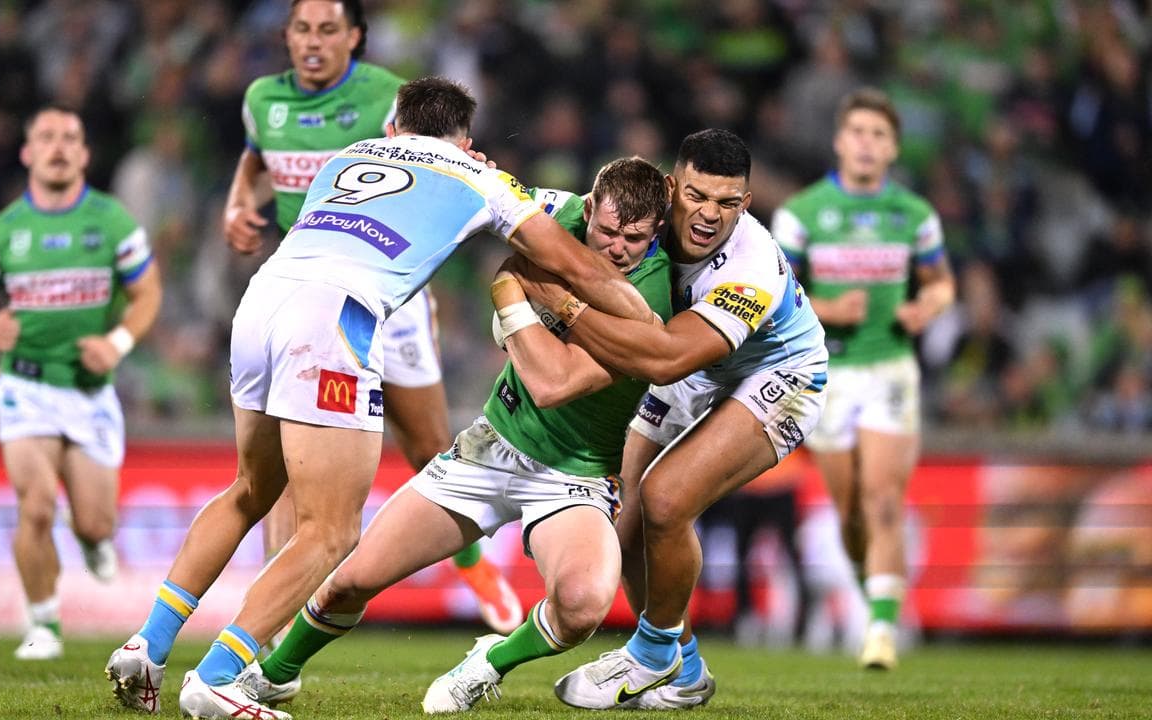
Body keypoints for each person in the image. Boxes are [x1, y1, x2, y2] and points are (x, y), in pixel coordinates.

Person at [105, 77, 655, 718]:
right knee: (332, 531)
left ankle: (148, 644)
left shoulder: (348, 156)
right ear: (468, 140)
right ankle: (222, 676)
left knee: (250, 489)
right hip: (335, 321)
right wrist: (648, 325)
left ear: (395, 129)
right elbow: (585, 266)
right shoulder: (478, 176)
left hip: (261, 303)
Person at [225, 157, 672, 715]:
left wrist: (513, 292)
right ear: (591, 207)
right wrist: (468, 163)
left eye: (635, 238)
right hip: (490, 449)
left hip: (574, 476)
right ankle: (273, 674)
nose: (617, 248)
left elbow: (552, 382)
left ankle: (488, 662)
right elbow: (479, 194)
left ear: (658, 229)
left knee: (583, 607)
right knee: (348, 582)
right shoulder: (566, 212)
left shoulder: (659, 298)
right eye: (606, 230)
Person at [223, 0, 520, 635]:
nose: (313, 41)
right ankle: (270, 625)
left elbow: (444, 164)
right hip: (303, 287)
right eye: (302, 28)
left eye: (328, 29)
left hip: (392, 290)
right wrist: (236, 203)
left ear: (355, 38)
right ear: (286, 36)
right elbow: (256, 158)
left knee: (426, 446)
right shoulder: (260, 100)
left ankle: (471, 563)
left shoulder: (389, 96)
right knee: (283, 470)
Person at [512, 129, 828, 710]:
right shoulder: (639, 215)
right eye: (697, 196)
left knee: (666, 498)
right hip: (700, 371)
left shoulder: (749, 268)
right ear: (669, 187)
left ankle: (651, 652)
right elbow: (515, 201)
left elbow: (664, 360)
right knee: (624, 520)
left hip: (780, 376)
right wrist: (455, 162)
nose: (709, 215)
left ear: (747, 204)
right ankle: (684, 670)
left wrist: (561, 305)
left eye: (728, 203)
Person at [0, 106, 161, 660]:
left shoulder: (113, 222)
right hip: (25, 385)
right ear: (27, 153)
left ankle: (92, 539)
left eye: (70, 137)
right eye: (46, 137)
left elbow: (148, 294)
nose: (58, 146)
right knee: (36, 505)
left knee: (95, 522)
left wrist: (115, 344)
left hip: (90, 390)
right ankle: (43, 624)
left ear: (85, 154)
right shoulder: (3, 231)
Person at [770, 87, 955, 670]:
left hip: (890, 369)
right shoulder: (801, 213)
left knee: (883, 499)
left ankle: (880, 629)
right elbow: (774, 296)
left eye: (879, 134)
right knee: (849, 513)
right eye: (858, 132)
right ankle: (866, 579)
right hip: (826, 375)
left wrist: (928, 308)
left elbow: (941, 283)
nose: (867, 144)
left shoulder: (914, 215)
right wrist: (826, 308)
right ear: (839, 141)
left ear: (894, 147)